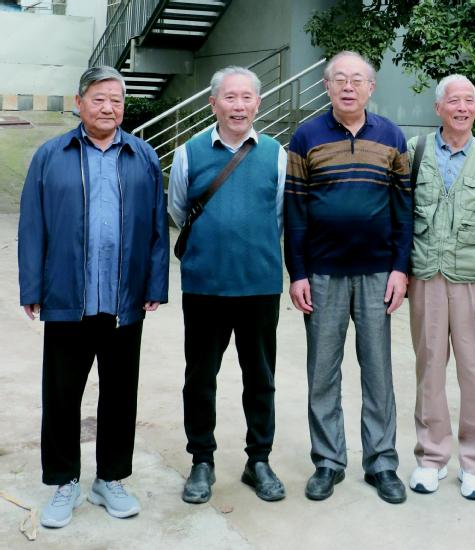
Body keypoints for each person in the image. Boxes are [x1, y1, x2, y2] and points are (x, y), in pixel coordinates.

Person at [18, 66, 169, 528]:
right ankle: (64, 481)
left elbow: (157, 226)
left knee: (120, 394)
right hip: (68, 297)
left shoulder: (142, 155)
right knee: (62, 395)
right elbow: (32, 225)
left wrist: (155, 285)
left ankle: (110, 479)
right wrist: (32, 287)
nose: (108, 108)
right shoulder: (52, 155)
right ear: (80, 103)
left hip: (124, 300)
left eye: (116, 100)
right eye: (99, 99)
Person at [285, 51, 413, 504]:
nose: (348, 86)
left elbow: (404, 209)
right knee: (322, 373)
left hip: (378, 273)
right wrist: (297, 273)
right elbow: (295, 210)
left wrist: (400, 268)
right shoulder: (306, 137)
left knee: (378, 372)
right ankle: (328, 461)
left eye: (357, 79)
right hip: (322, 274)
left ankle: (381, 462)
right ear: (327, 86)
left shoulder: (392, 136)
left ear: (370, 88)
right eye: (339, 79)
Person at [168, 66, 287, 503]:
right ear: (213, 103)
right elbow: (178, 210)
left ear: (258, 103)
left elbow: (278, 215)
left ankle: (259, 460)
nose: (239, 106)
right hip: (205, 286)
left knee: (260, 378)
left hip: (259, 285)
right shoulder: (189, 153)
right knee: (200, 378)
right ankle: (202, 460)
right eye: (230, 97)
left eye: (247, 98)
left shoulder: (276, 153)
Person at [406, 75, 475, 501]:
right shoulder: (415, 152)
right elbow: (400, 215)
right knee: (429, 368)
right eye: (454, 101)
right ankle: (431, 457)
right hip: (426, 276)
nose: (462, 108)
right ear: (439, 108)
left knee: (474, 372)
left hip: (473, 280)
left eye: (469, 100)